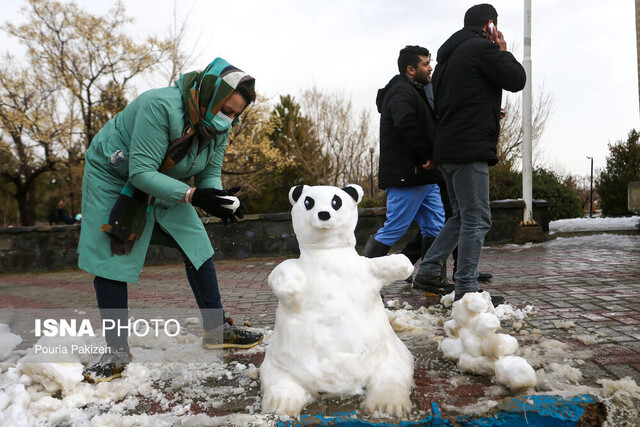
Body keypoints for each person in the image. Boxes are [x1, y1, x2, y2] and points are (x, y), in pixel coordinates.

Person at [78, 58, 263, 382]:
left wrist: (217, 201)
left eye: (235, 114)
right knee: (112, 256)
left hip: (165, 179)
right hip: (114, 173)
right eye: (227, 109)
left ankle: (217, 329)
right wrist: (193, 196)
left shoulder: (216, 127)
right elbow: (140, 173)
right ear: (211, 92)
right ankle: (116, 353)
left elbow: (208, 172)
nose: (229, 119)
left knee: (197, 245)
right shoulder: (158, 106)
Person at [413, 4, 526, 306]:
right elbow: (517, 79)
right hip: (468, 148)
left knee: (462, 216)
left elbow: (457, 102)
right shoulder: (481, 48)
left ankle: (429, 269)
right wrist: (502, 50)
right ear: (490, 25)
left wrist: (488, 111)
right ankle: (466, 288)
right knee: (478, 218)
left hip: (449, 148)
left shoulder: (448, 60)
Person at [362, 45, 451, 294]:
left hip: (424, 175)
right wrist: (428, 154)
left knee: (436, 225)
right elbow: (407, 124)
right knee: (396, 227)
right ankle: (357, 277)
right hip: (407, 174)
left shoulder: (416, 90)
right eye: (425, 64)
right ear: (411, 69)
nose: (430, 67)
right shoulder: (400, 91)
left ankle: (430, 276)